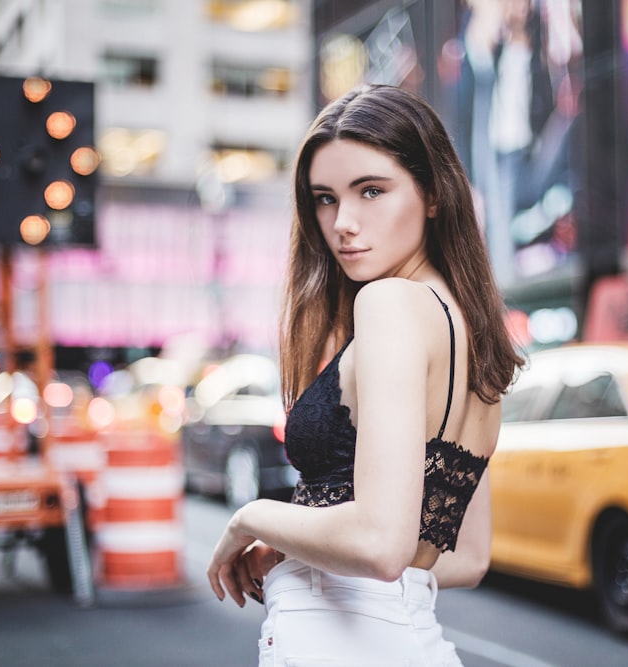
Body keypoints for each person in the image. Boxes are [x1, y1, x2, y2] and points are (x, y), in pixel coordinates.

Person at [206, 84, 524, 665]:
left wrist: (254, 520)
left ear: (433, 194)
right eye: (324, 198)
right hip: (406, 635)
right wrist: (301, 550)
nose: (343, 223)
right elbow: (465, 556)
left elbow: (381, 543)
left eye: (371, 190)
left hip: (340, 644)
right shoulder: (473, 335)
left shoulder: (388, 305)